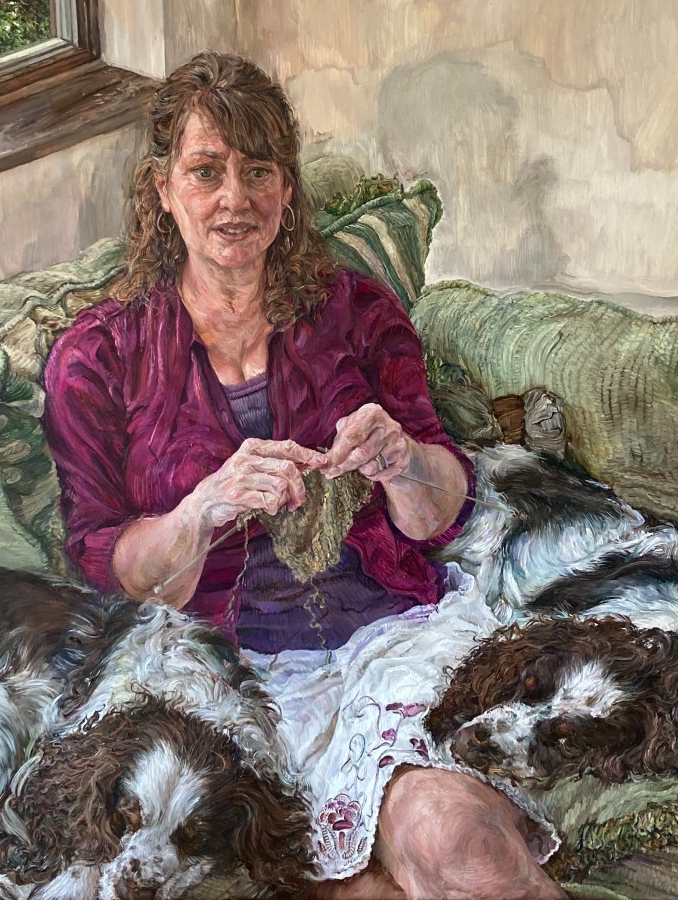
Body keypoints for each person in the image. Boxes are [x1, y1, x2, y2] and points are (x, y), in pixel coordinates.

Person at [42, 52, 566, 900]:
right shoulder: (97, 357)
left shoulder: (355, 312)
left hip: (388, 639)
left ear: (286, 190)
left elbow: (441, 513)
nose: (235, 198)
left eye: (259, 171)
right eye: (206, 171)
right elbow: (111, 570)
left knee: (458, 841)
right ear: (162, 189)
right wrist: (205, 506)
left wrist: (402, 459)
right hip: (230, 681)